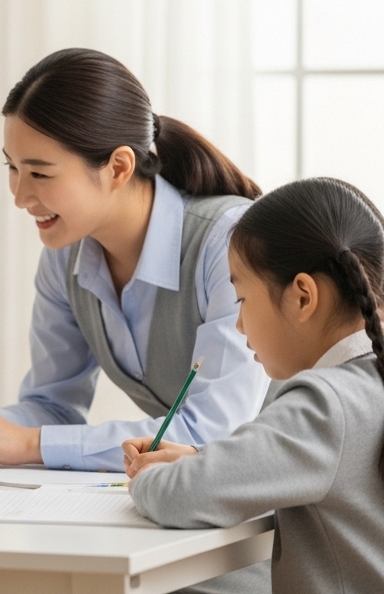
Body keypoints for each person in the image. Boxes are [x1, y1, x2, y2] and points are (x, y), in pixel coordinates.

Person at [0, 48, 271, 471]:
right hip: (197, 494)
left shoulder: (227, 242)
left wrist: (27, 443)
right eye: (12, 168)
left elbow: (214, 430)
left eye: (40, 173)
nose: (19, 196)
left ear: (119, 167)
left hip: (281, 491)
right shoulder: (65, 256)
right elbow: (54, 407)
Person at [125, 177, 384, 593]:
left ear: (302, 297)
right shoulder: (369, 385)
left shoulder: (325, 404)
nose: (240, 324)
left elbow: (179, 496)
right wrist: (199, 456)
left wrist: (142, 480)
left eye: (242, 300)